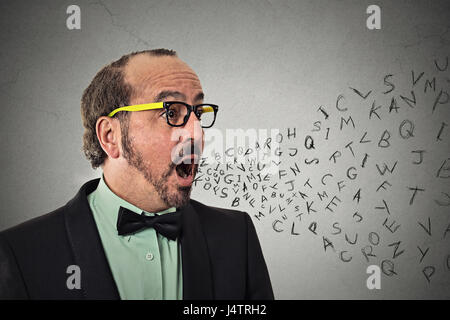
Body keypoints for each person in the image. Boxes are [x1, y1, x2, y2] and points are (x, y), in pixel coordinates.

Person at [0, 49, 274, 300]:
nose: (197, 134)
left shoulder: (237, 236)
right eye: (171, 112)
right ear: (110, 136)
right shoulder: (21, 252)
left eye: (198, 113)